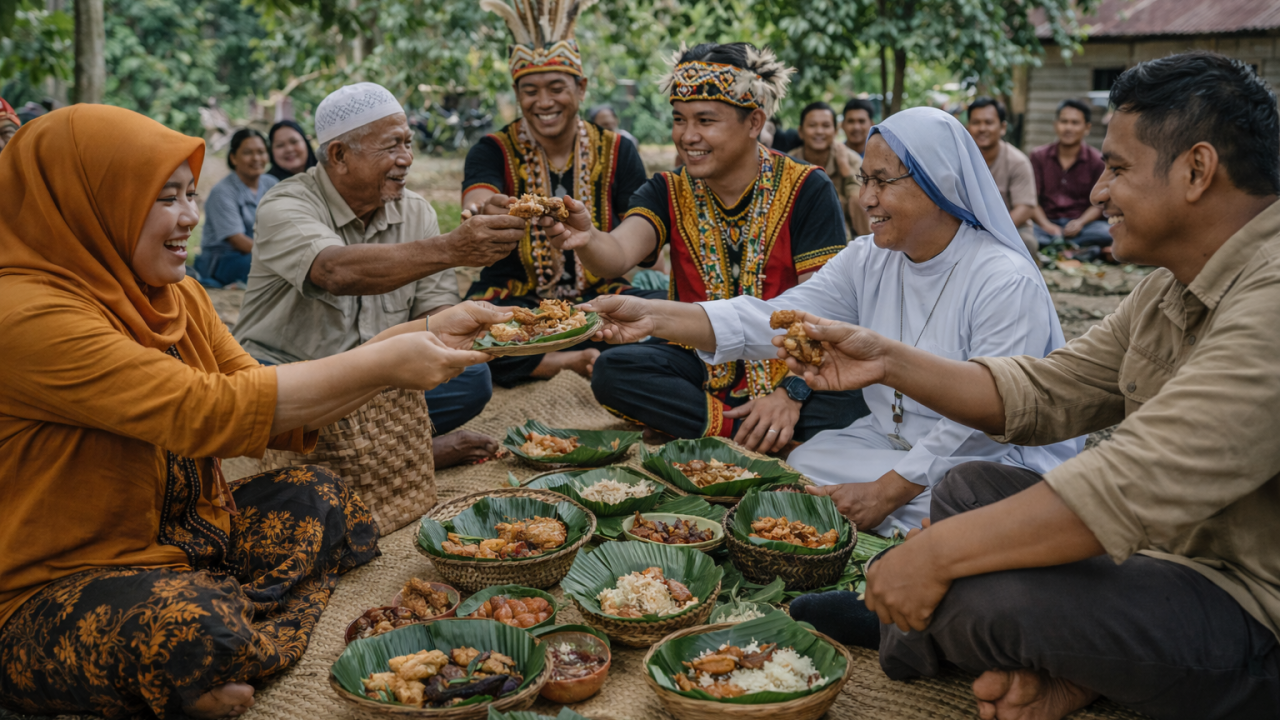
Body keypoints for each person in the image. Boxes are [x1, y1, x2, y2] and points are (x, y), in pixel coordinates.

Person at [775, 53, 1280, 720]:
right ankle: (1085, 669)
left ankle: (922, 628)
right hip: (1171, 561)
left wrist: (926, 561)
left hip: (1253, 609)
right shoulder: (1171, 286)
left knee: (978, 591)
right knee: (966, 489)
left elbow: (1130, 481)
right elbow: (1046, 391)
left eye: (1119, 169)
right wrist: (887, 362)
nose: (1100, 192)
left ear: (1196, 170)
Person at [0, 104, 504, 720]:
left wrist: (424, 332)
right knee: (193, 631)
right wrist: (389, 364)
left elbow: (258, 390)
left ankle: (216, 636)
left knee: (320, 495)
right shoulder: (24, 315)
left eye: (190, 194)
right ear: (90, 203)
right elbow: (203, 412)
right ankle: (217, 632)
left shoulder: (175, 292)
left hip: (177, 537)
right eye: (165, 199)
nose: (190, 216)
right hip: (50, 586)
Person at [579, 104, 1079, 533]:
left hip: (992, 458)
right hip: (892, 439)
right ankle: (914, 516)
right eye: (865, 180)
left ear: (939, 183)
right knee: (805, 462)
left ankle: (932, 521)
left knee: (970, 495)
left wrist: (886, 492)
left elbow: (991, 417)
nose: (865, 200)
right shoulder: (870, 258)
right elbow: (774, 319)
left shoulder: (1003, 278)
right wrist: (651, 316)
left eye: (883, 182)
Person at [542, 41, 866, 451]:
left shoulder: (806, 187)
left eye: (705, 120)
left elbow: (826, 314)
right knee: (614, 371)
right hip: (699, 363)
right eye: (679, 119)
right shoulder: (667, 189)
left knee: (852, 401)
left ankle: (710, 423)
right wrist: (587, 239)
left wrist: (790, 394)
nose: (687, 136)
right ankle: (744, 434)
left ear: (754, 122)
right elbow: (618, 255)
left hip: (796, 365)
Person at [233, 82, 529, 467]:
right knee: (262, 401)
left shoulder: (417, 211)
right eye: (392, 146)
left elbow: (436, 308)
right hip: (294, 379)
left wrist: (456, 333)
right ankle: (408, 451)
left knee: (471, 379)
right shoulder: (286, 202)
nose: (406, 158)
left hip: (375, 384)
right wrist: (452, 248)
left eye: (408, 143)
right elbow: (333, 269)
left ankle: (366, 451)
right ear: (339, 155)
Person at [461, 0, 663, 387]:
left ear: (581, 88)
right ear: (517, 93)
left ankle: (554, 356)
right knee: (470, 336)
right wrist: (486, 209)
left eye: (556, 88)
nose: (544, 102)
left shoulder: (618, 150)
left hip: (600, 297)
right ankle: (559, 361)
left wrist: (652, 281)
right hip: (515, 299)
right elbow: (476, 202)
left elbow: (644, 238)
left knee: (657, 325)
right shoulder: (491, 149)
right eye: (530, 90)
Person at [194, 128, 278, 288]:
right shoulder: (223, 192)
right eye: (248, 152)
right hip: (224, 260)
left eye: (261, 152)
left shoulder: (271, 184)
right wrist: (276, 256)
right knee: (273, 267)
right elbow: (237, 241)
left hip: (259, 253)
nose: (256, 158)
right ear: (233, 158)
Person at [1030, 99, 1111, 252]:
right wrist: (1047, 226)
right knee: (1024, 233)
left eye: (1075, 123)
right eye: (1064, 121)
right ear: (1055, 125)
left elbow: (1099, 204)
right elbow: (1031, 200)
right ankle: (1077, 250)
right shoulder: (1038, 156)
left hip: (1082, 226)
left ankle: (1060, 247)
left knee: (1107, 233)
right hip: (1046, 224)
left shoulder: (1097, 161)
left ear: (1087, 128)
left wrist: (1080, 223)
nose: (1068, 127)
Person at [966, 96, 1038, 257]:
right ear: (967, 127)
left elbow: (1025, 208)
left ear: (1003, 127)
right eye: (976, 123)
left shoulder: (1018, 162)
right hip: (968, 229)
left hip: (1012, 228)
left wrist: (992, 231)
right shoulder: (959, 160)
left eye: (989, 122)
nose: (982, 128)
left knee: (1028, 242)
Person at [789, 100, 870, 236]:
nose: (819, 131)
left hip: (844, 241)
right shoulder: (789, 162)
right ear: (801, 131)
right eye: (812, 125)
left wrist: (846, 172)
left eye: (826, 126)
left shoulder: (851, 160)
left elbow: (862, 213)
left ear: (835, 131)